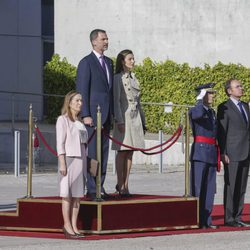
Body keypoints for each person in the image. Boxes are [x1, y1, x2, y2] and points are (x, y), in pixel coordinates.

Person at [76, 29, 113, 200]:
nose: (106, 41)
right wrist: (85, 114)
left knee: (104, 154)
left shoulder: (109, 63)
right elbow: (82, 90)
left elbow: (109, 91)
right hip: (92, 117)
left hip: (106, 117)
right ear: (94, 42)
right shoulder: (86, 62)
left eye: (106, 38)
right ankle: (92, 187)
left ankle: (100, 185)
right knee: (92, 153)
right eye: (103, 39)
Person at [111, 49, 146, 197]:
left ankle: (126, 185)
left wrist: (143, 122)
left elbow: (139, 102)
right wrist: (119, 120)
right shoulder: (118, 78)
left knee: (130, 152)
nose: (133, 61)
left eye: (133, 59)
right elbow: (117, 101)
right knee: (122, 151)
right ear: (122, 61)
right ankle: (120, 183)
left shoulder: (134, 78)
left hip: (135, 117)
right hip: (124, 118)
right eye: (130, 59)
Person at [217, 79, 250, 227]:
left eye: (241, 86)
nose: (241, 88)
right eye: (237, 87)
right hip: (232, 153)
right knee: (231, 186)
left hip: (246, 151)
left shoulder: (245, 106)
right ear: (229, 91)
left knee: (241, 186)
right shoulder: (224, 107)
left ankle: (238, 216)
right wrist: (223, 152)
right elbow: (222, 132)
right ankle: (229, 218)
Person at [56, 91, 88, 238]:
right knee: (67, 195)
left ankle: (75, 225)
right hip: (68, 160)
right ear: (69, 102)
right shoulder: (62, 120)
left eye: (81, 101)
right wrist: (62, 162)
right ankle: (67, 225)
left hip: (80, 160)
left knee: (77, 195)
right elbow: (60, 143)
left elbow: (84, 143)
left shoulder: (80, 122)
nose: (80, 103)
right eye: (77, 100)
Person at [189, 83, 219, 229]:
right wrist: (199, 100)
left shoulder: (212, 112)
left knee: (209, 188)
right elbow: (198, 115)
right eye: (209, 93)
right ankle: (196, 220)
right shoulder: (196, 110)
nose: (212, 95)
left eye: (212, 93)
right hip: (200, 153)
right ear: (202, 94)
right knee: (198, 188)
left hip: (211, 153)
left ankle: (207, 220)